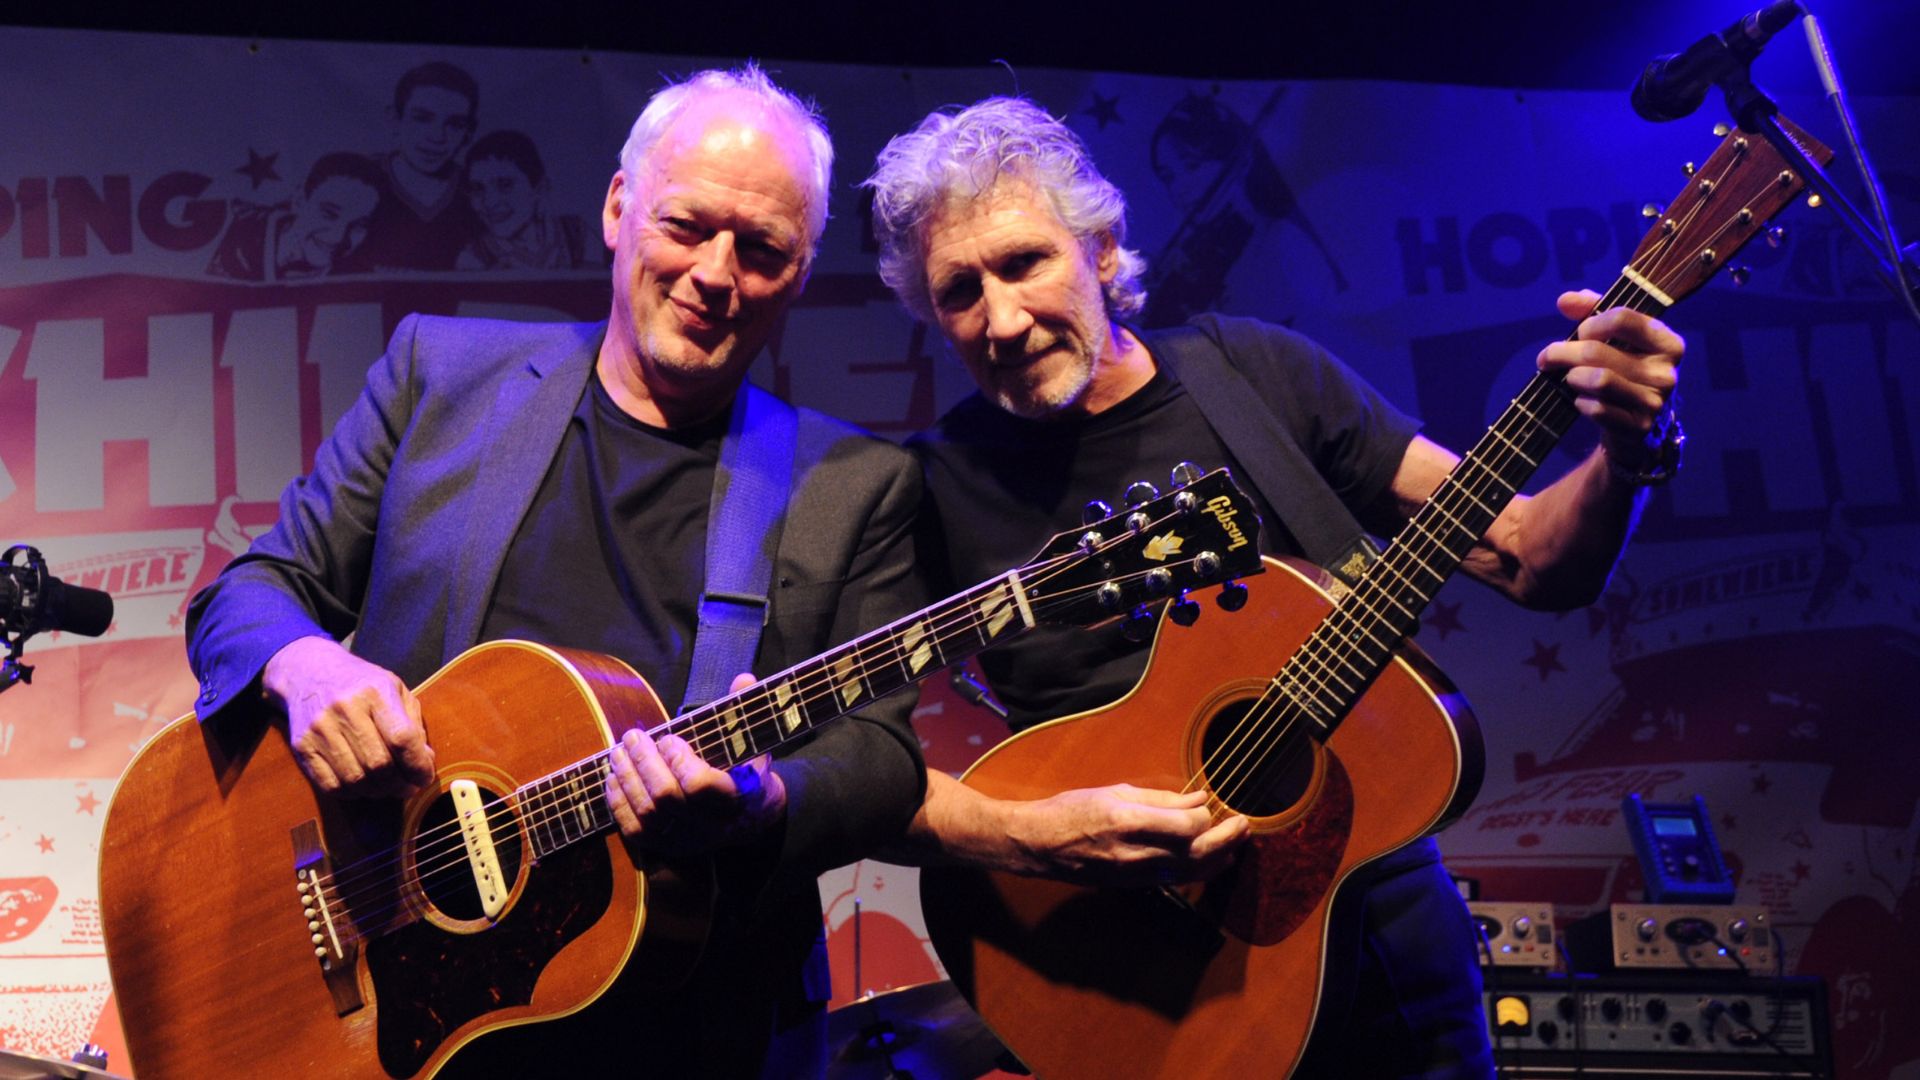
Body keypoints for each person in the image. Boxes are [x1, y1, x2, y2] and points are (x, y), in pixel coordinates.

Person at [865, 97, 1684, 1078]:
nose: (1000, 318)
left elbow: (1524, 556)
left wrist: (1629, 456)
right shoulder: (932, 484)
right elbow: (847, 774)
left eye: (1024, 263)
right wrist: (1030, 835)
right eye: (958, 291)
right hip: (1124, 967)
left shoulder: (1255, 377)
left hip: (1371, 929)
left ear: (1102, 248)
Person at [186, 65, 926, 1078]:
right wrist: (307, 669)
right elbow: (250, 592)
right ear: (619, 209)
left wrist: (762, 801)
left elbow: (882, 760)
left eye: (762, 250)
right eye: (688, 225)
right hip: (396, 990)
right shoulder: (439, 375)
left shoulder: (852, 484)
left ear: (799, 274)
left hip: (682, 1029)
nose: (717, 274)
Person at [351, 60, 485, 271]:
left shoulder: (480, 191)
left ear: (468, 133)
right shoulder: (356, 179)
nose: (437, 136)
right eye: (422, 118)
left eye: (455, 124)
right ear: (395, 118)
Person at [205, 151, 383, 281]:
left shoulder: (361, 282)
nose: (338, 237)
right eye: (329, 213)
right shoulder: (222, 237)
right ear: (299, 199)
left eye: (359, 225)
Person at [456, 128, 591, 270]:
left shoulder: (578, 234)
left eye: (505, 185)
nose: (489, 202)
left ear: (539, 188)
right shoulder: (473, 258)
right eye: (478, 189)